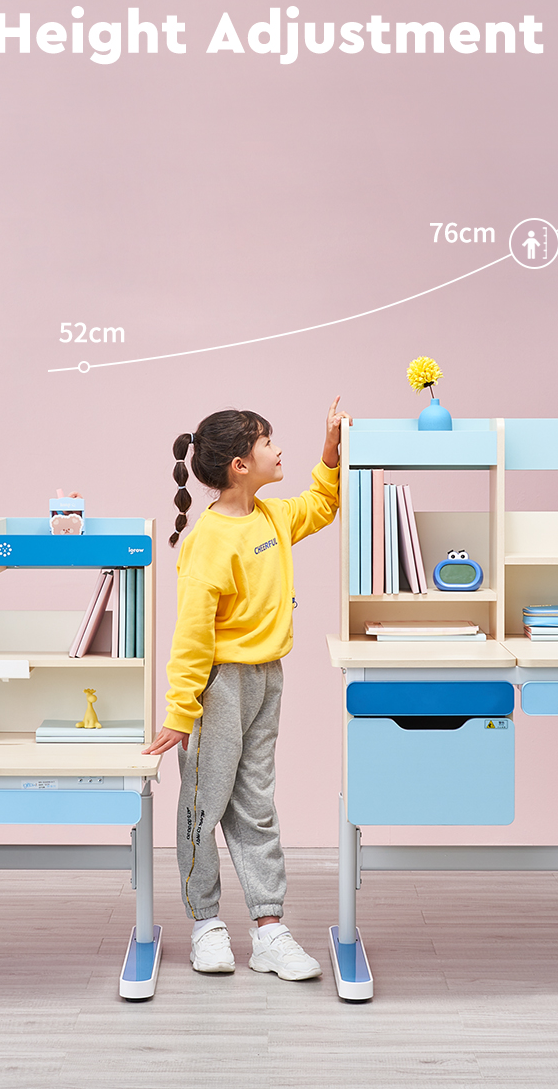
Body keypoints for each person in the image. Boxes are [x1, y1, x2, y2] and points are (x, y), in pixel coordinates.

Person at [144, 399, 341, 979]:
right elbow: (191, 636)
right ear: (239, 464)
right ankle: (206, 923)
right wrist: (182, 712)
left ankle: (268, 928)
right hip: (217, 688)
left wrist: (330, 451)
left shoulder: (273, 516)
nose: (279, 450)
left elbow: (323, 504)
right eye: (268, 441)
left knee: (255, 807)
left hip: (265, 680)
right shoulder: (209, 541)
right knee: (204, 807)